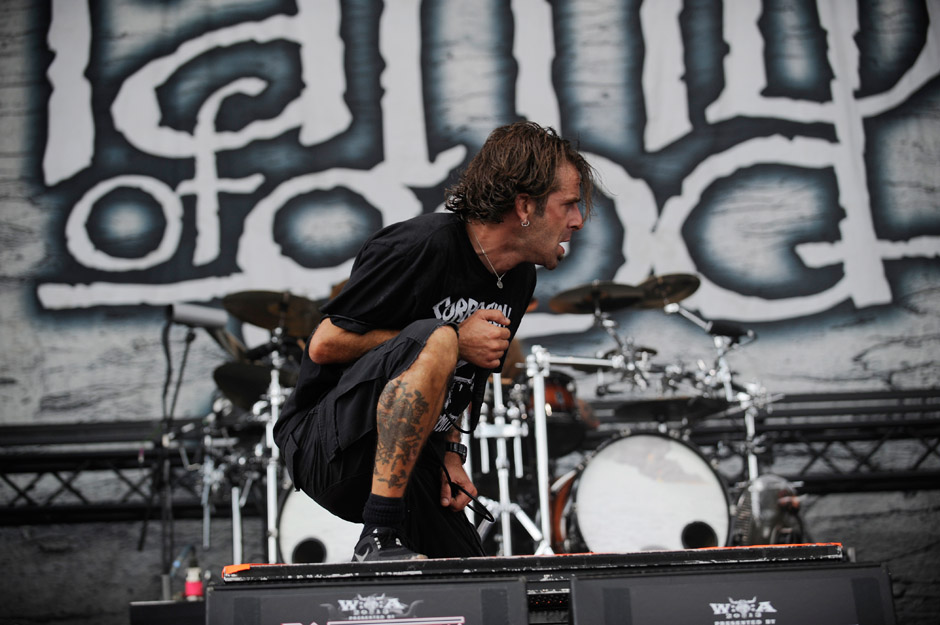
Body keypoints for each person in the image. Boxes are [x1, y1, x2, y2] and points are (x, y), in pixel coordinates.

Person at [274, 121, 598, 562]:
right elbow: (324, 344)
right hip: (328, 446)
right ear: (525, 206)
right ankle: (377, 537)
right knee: (440, 338)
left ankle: (390, 537)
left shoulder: (517, 277)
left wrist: (450, 453)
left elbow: (462, 379)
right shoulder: (420, 246)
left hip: (405, 458)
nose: (578, 220)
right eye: (569, 205)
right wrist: (453, 341)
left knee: (468, 574)